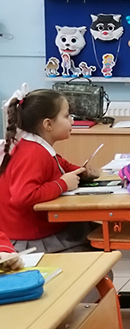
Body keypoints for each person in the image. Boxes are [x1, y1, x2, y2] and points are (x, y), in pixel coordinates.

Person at [0, 85, 98, 253]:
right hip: (32, 241)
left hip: (42, 230)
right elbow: (23, 196)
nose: (72, 120)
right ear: (48, 124)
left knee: (95, 232)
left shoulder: (36, 146)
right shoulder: (33, 153)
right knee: (96, 247)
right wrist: (62, 184)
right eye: (67, 116)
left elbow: (61, 165)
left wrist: (82, 172)